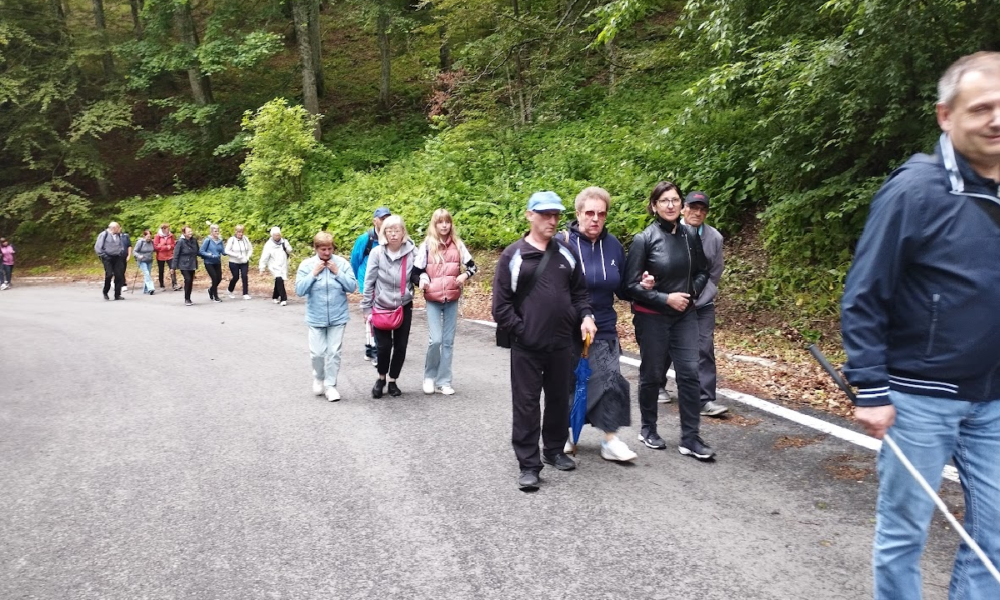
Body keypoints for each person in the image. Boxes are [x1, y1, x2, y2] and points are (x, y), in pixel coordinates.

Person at [841, 52, 1000, 600]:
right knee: (905, 532)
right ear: (945, 116)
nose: (996, 119)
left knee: (996, 537)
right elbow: (865, 293)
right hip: (917, 396)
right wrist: (871, 385)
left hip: (995, 399)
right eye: (982, 107)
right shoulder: (914, 191)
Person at [492, 191, 596, 491]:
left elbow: (579, 293)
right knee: (526, 405)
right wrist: (522, 331)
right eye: (545, 214)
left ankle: (552, 450)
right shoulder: (514, 256)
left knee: (558, 400)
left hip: (563, 343)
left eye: (556, 215)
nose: (552, 220)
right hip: (527, 346)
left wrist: (586, 316)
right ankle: (528, 464)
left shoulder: (565, 253)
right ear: (529, 215)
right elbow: (501, 306)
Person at [624, 181, 714, 461]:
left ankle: (690, 437)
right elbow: (629, 286)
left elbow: (703, 271)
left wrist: (690, 294)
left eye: (675, 200)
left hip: (685, 315)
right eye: (664, 201)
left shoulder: (690, 235)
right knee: (652, 374)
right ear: (654, 206)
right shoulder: (644, 239)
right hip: (652, 318)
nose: (671, 205)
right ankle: (648, 428)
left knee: (689, 373)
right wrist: (665, 298)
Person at [561, 187, 637, 462]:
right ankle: (566, 432)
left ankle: (610, 439)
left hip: (603, 324)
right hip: (568, 324)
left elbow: (624, 288)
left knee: (609, 379)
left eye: (601, 214)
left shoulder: (614, 245)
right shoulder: (563, 243)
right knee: (569, 381)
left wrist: (644, 285)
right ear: (578, 213)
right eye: (589, 213)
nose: (595, 219)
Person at [657, 191, 728, 417]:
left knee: (704, 347)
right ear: (683, 208)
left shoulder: (714, 238)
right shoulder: (669, 232)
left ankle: (705, 399)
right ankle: (657, 383)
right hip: (672, 300)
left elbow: (714, 271)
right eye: (693, 207)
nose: (697, 212)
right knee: (667, 345)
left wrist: (701, 295)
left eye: (702, 209)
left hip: (702, 303)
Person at [414, 209, 478, 396]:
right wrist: (422, 281)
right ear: (434, 225)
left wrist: (464, 275)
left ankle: (444, 381)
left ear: (451, 224)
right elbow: (415, 272)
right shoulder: (426, 245)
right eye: (440, 222)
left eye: (447, 222)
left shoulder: (458, 245)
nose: (444, 225)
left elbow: (473, 266)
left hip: (452, 298)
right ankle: (429, 377)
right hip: (433, 298)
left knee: (448, 342)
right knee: (436, 340)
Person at [295, 232, 358, 402]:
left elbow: (352, 286)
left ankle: (331, 386)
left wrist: (337, 272)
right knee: (317, 353)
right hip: (316, 316)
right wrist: (313, 274)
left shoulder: (341, 263)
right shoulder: (307, 265)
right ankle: (318, 376)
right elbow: (299, 290)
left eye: (330, 249)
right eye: (323, 249)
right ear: (316, 249)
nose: (327, 252)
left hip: (338, 316)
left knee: (334, 352)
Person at [361, 214, 417, 399]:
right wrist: (366, 308)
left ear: (403, 232)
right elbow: (369, 281)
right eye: (389, 230)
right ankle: (381, 377)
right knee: (384, 346)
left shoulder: (412, 252)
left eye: (397, 230)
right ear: (384, 233)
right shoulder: (377, 253)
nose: (393, 234)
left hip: (403, 305)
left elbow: (420, 271)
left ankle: (393, 380)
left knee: (401, 346)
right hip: (381, 306)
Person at [352, 207, 391, 364]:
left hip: (385, 282)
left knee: (380, 315)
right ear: (375, 221)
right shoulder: (365, 239)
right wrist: (360, 281)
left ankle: (370, 346)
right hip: (368, 282)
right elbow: (355, 260)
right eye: (383, 219)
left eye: (388, 218)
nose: (385, 222)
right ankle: (375, 350)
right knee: (373, 315)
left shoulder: (392, 237)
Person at [94, 221, 128, 300]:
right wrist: (104, 255)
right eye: (118, 227)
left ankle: (117, 294)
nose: (119, 229)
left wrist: (121, 251)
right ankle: (105, 291)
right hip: (107, 257)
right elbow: (98, 247)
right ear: (113, 228)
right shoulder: (104, 234)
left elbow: (120, 245)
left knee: (119, 275)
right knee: (109, 274)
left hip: (117, 257)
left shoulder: (118, 235)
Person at [259, 227, 293, 306]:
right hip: (273, 265)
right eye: (276, 235)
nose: (277, 237)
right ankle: (283, 298)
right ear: (272, 235)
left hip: (283, 264)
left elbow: (289, 249)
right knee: (279, 279)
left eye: (278, 235)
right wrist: (262, 268)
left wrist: (288, 249)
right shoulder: (268, 245)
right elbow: (264, 257)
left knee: (279, 281)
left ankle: (275, 297)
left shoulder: (284, 242)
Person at [199, 223, 226, 303]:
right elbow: (201, 251)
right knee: (214, 278)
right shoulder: (208, 240)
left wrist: (229, 252)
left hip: (217, 261)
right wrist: (210, 255)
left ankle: (211, 290)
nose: (217, 232)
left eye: (218, 231)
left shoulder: (220, 240)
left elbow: (223, 251)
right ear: (211, 232)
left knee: (219, 278)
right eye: (215, 231)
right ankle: (215, 296)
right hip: (209, 262)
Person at [174, 226, 200, 306]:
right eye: (188, 232)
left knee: (190, 281)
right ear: (184, 233)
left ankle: (189, 297)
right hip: (183, 264)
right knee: (187, 279)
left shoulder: (194, 240)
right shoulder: (180, 242)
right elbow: (176, 254)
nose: (190, 233)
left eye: (191, 231)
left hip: (192, 263)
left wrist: (207, 255)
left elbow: (198, 251)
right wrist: (173, 267)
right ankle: (187, 299)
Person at [225, 225, 253, 299]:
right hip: (234, 262)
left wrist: (247, 257)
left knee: (244, 276)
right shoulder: (232, 240)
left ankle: (245, 293)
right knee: (236, 277)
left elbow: (250, 249)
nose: (241, 234)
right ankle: (230, 289)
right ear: (236, 232)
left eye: (242, 232)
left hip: (244, 261)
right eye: (239, 232)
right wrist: (237, 255)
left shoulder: (246, 239)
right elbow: (227, 250)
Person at [154, 223, 179, 291]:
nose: (169, 230)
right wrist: (166, 247)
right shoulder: (157, 236)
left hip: (170, 255)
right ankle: (162, 285)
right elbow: (156, 247)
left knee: (172, 269)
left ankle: (174, 284)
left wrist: (169, 246)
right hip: (160, 256)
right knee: (161, 270)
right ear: (163, 229)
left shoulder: (171, 235)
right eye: (167, 228)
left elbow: (173, 244)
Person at [133, 229, 156, 295]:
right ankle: (151, 288)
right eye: (148, 236)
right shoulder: (140, 242)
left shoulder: (152, 242)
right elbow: (134, 251)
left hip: (149, 260)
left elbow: (154, 249)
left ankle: (146, 289)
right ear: (144, 236)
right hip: (142, 261)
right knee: (146, 273)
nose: (149, 238)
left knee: (148, 274)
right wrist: (139, 256)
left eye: (150, 236)